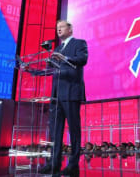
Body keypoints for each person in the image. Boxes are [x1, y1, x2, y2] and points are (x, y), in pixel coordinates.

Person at [40, 20, 88, 175]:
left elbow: (82, 59)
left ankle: (73, 164)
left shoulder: (80, 43)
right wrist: (30, 70)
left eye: (61, 27)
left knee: (74, 129)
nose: (58, 30)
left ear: (70, 29)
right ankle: (54, 163)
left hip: (71, 92)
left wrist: (66, 59)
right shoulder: (57, 49)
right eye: (57, 28)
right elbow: (49, 69)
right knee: (56, 131)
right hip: (57, 96)